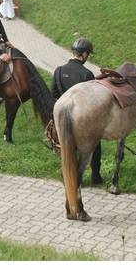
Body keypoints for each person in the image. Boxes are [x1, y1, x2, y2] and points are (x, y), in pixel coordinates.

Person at [51, 37, 103, 184]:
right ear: (84, 54)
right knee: (96, 144)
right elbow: (92, 102)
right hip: (81, 119)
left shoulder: (59, 71)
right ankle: (95, 176)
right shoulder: (87, 74)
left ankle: (69, 175)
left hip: (64, 119)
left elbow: (54, 95)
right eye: (88, 54)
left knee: (69, 148)